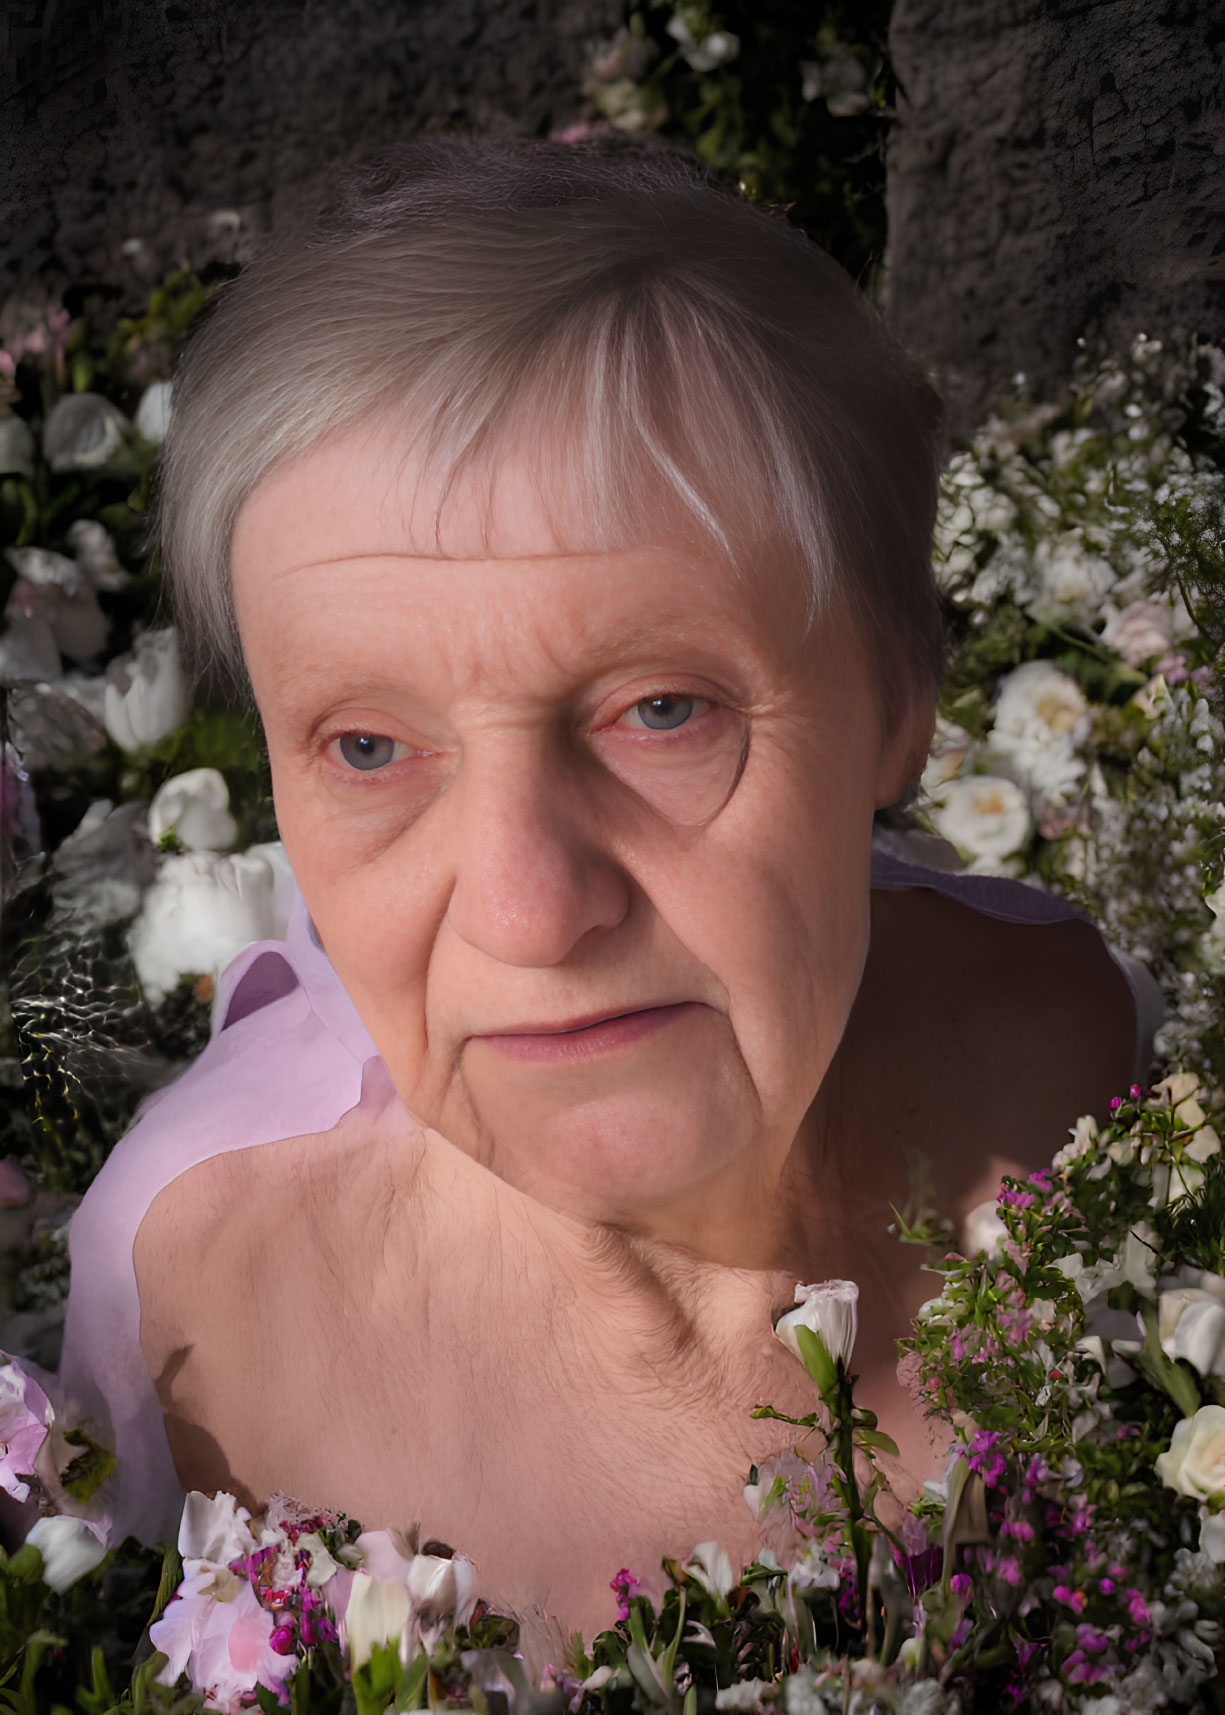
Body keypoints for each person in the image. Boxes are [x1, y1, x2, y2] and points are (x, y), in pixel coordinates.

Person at [56, 137, 1159, 1640]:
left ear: (898, 698)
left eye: (662, 712)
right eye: (370, 745)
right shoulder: (200, 1300)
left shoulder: (1072, 1055)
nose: (525, 909)